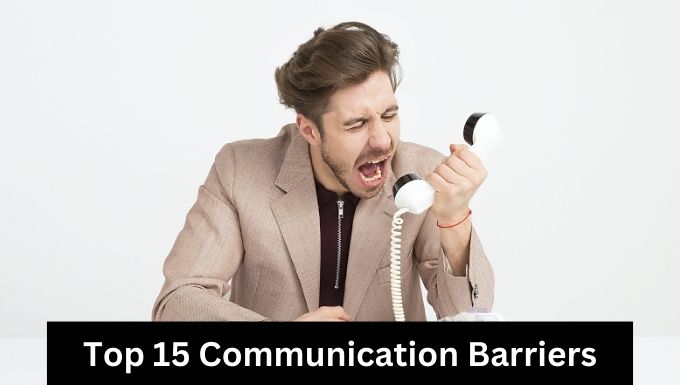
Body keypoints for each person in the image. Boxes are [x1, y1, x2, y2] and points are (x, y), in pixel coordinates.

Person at [152, 21, 494, 322]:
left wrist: (454, 220)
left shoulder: (420, 174)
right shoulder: (240, 170)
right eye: (356, 123)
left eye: (389, 115)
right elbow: (178, 303)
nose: (381, 140)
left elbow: (471, 316)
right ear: (310, 131)